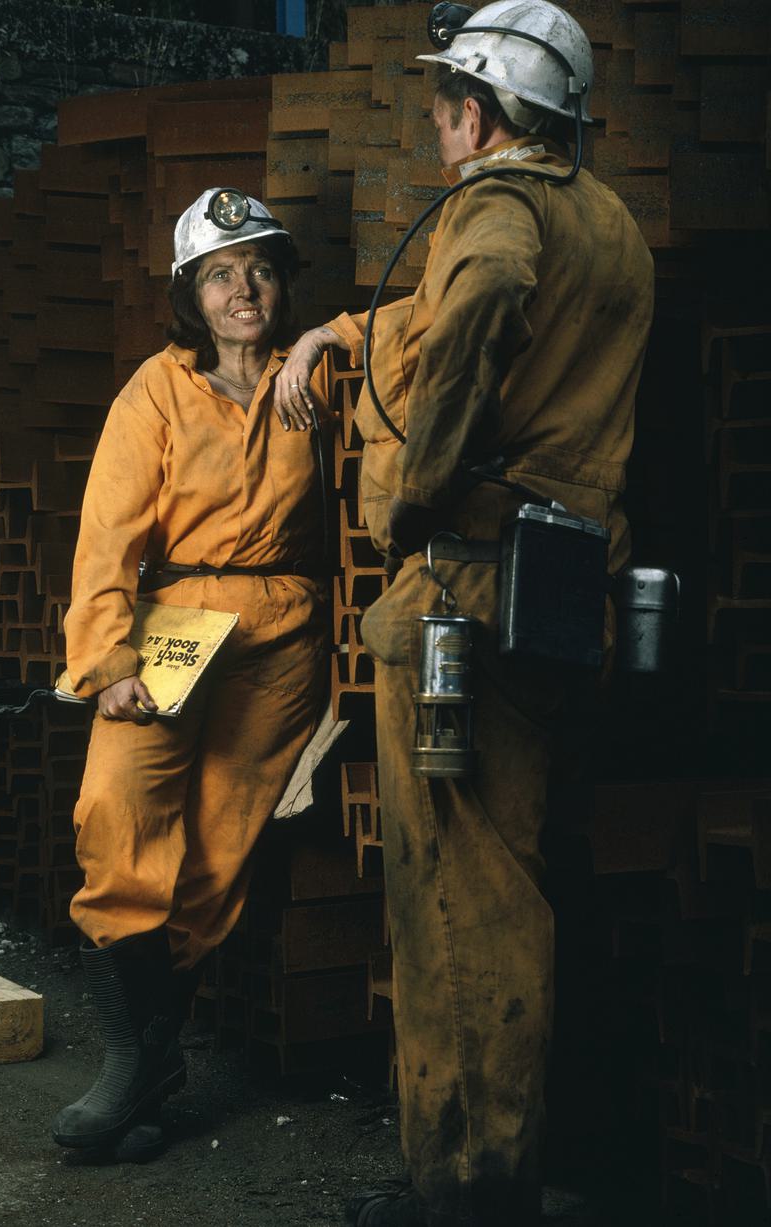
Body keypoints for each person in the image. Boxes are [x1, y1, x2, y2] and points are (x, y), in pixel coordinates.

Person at [277, 2, 655, 1223]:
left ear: (483, 114)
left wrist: (416, 487)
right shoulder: (608, 223)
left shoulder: (496, 208)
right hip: (563, 591)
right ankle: (509, 1164)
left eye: (446, 109)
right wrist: (341, 328)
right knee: (516, 875)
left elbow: (484, 287)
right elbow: (475, 321)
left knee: (454, 894)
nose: (439, 131)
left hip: (471, 589)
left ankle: (466, 1186)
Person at [52, 188, 331, 1157]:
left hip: (282, 631)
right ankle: (136, 1060)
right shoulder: (157, 391)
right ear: (190, 295)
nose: (242, 289)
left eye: (259, 268)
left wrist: (325, 339)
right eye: (219, 275)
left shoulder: (318, 378)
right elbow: (107, 536)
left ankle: (142, 1070)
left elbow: (417, 330)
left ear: (282, 282)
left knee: (218, 848)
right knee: (116, 809)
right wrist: (105, 659)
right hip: (173, 619)